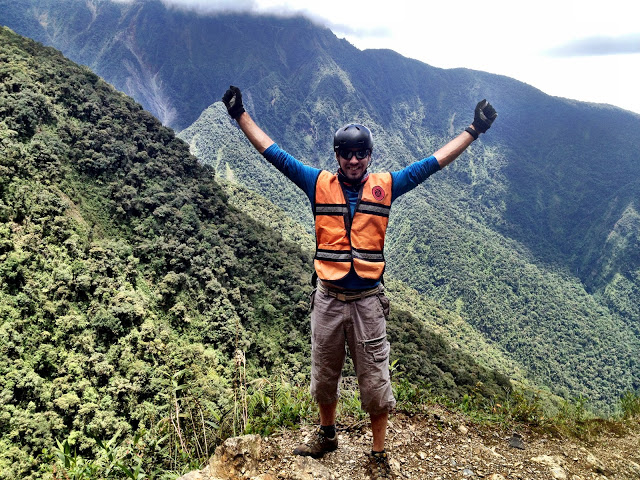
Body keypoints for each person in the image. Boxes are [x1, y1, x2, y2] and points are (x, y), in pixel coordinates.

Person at [222, 85, 497, 479]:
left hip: (368, 299)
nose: (353, 160)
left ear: (370, 156)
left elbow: (433, 162)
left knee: (374, 378)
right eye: (346, 153)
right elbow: (273, 154)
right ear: (337, 155)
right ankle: (327, 434)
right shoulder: (316, 183)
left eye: (360, 153)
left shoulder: (386, 186)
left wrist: (474, 129)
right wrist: (240, 115)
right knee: (324, 372)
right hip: (329, 297)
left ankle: (379, 455)